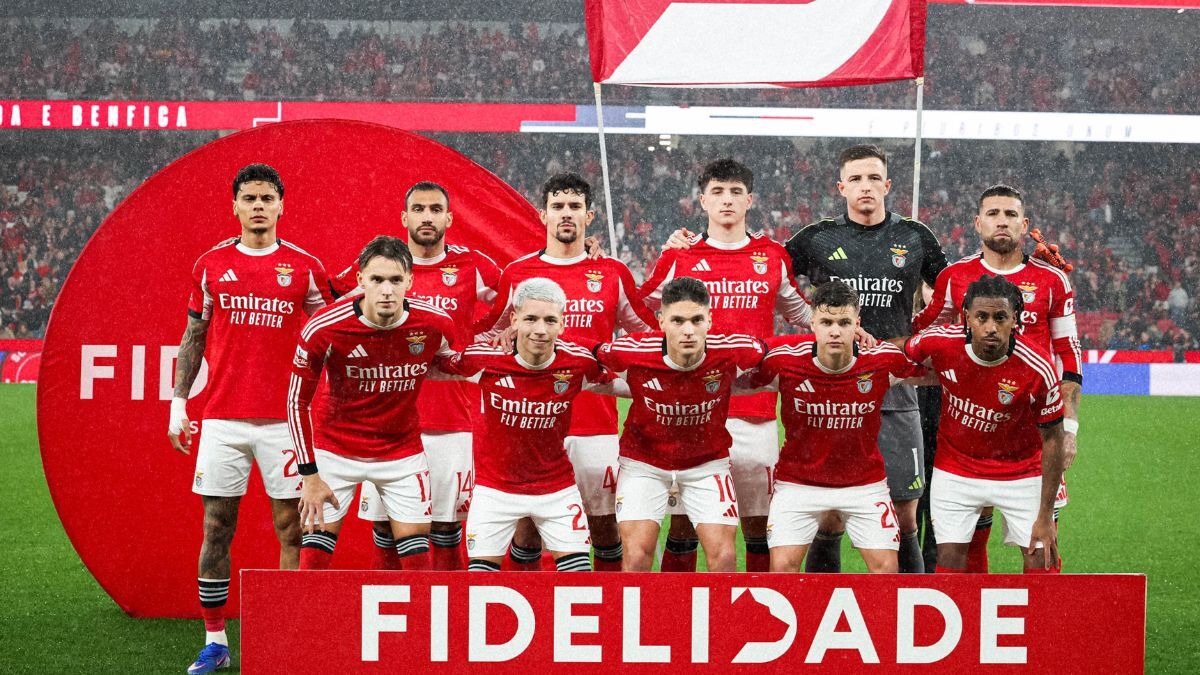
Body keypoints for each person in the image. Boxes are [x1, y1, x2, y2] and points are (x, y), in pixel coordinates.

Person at [168, 164, 331, 675]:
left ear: (282, 205)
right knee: (217, 527)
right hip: (222, 419)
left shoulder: (304, 267)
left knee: (292, 528)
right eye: (249, 198)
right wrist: (178, 402)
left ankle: (286, 637)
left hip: (285, 421)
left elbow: (332, 334)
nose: (258, 206)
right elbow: (193, 337)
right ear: (234, 205)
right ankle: (215, 641)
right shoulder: (211, 264)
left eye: (267, 198)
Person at [473, 172, 657, 572]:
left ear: (589, 216)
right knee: (527, 531)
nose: (566, 214)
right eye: (557, 206)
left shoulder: (612, 272)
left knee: (605, 527)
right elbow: (484, 334)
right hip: (532, 425)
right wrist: (500, 339)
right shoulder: (518, 273)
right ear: (543, 215)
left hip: (595, 425)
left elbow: (649, 335)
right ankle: (531, 605)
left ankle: (607, 606)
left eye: (575, 206)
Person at [642, 158, 811, 573]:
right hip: (691, 412)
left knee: (758, 525)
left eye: (736, 192)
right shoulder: (680, 256)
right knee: (684, 525)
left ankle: (752, 607)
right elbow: (637, 310)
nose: (727, 200)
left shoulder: (771, 255)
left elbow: (803, 315)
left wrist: (848, 329)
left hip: (754, 412)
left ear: (750, 200)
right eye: (717, 192)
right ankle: (677, 607)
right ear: (702, 201)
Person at [331, 182, 501, 571]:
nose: (427, 217)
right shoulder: (383, 266)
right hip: (386, 422)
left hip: (450, 422)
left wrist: (485, 336)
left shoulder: (471, 265)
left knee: (446, 529)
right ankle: (388, 609)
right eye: (419, 209)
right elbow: (329, 297)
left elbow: (518, 300)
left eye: (435, 209)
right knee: (386, 529)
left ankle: (446, 608)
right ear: (404, 218)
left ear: (449, 218)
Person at [913, 184, 1081, 572]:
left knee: (1042, 547)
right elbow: (925, 332)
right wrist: (912, 298)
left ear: (1024, 224)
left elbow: (1069, 358)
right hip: (970, 430)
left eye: (1010, 214)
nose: (1001, 221)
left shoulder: (1053, 280)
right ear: (978, 223)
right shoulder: (955, 276)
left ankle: (1040, 613)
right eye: (992, 213)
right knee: (967, 545)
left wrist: (1069, 429)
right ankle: (972, 612)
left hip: (1033, 436)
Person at [288, 235, 456, 572]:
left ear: (410, 281)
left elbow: (451, 364)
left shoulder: (435, 323)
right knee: (313, 562)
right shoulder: (324, 327)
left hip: (401, 453)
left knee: (418, 565)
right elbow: (296, 402)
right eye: (377, 279)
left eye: (395, 280)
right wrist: (310, 475)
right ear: (361, 279)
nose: (387, 290)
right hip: (336, 451)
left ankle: (414, 611)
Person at [438, 278, 622, 571]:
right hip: (494, 491)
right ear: (514, 320)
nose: (540, 329)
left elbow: (625, 385)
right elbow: (434, 366)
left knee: (578, 582)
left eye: (550, 321)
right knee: (479, 586)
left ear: (562, 324)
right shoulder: (484, 359)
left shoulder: (578, 363)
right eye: (531, 319)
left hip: (557, 491)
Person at [749, 281, 927, 573]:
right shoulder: (784, 361)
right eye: (827, 322)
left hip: (865, 485)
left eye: (844, 323)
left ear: (857, 324)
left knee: (886, 571)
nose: (835, 331)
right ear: (812, 324)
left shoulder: (882, 360)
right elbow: (731, 381)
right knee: (781, 569)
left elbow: (936, 371)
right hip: (798, 484)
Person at [595, 277, 765, 572]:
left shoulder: (736, 349)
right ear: (661, 321)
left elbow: (777, 351)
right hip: (644, 463)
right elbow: (586, 352)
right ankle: (641, 604)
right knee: (636, 557)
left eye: (696, 320)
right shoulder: (631, 351)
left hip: (707, 464)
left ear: (709, 319)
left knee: (724, 558)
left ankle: (716, 606)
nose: (688, 330)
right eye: (678, 321)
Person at [904, 275, 1067, 573]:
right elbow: (901, 350)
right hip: (957, 468)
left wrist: (1045, 514)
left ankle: (1041, 606)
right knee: (950, 560)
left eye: (1000, 317)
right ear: (967, 317)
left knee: (1042, 561)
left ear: (1015, 319)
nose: (991, 327)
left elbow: (1054, 439)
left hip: (1022, 471)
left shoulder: (1038, 367)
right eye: (982, 317)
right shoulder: (939, 341)